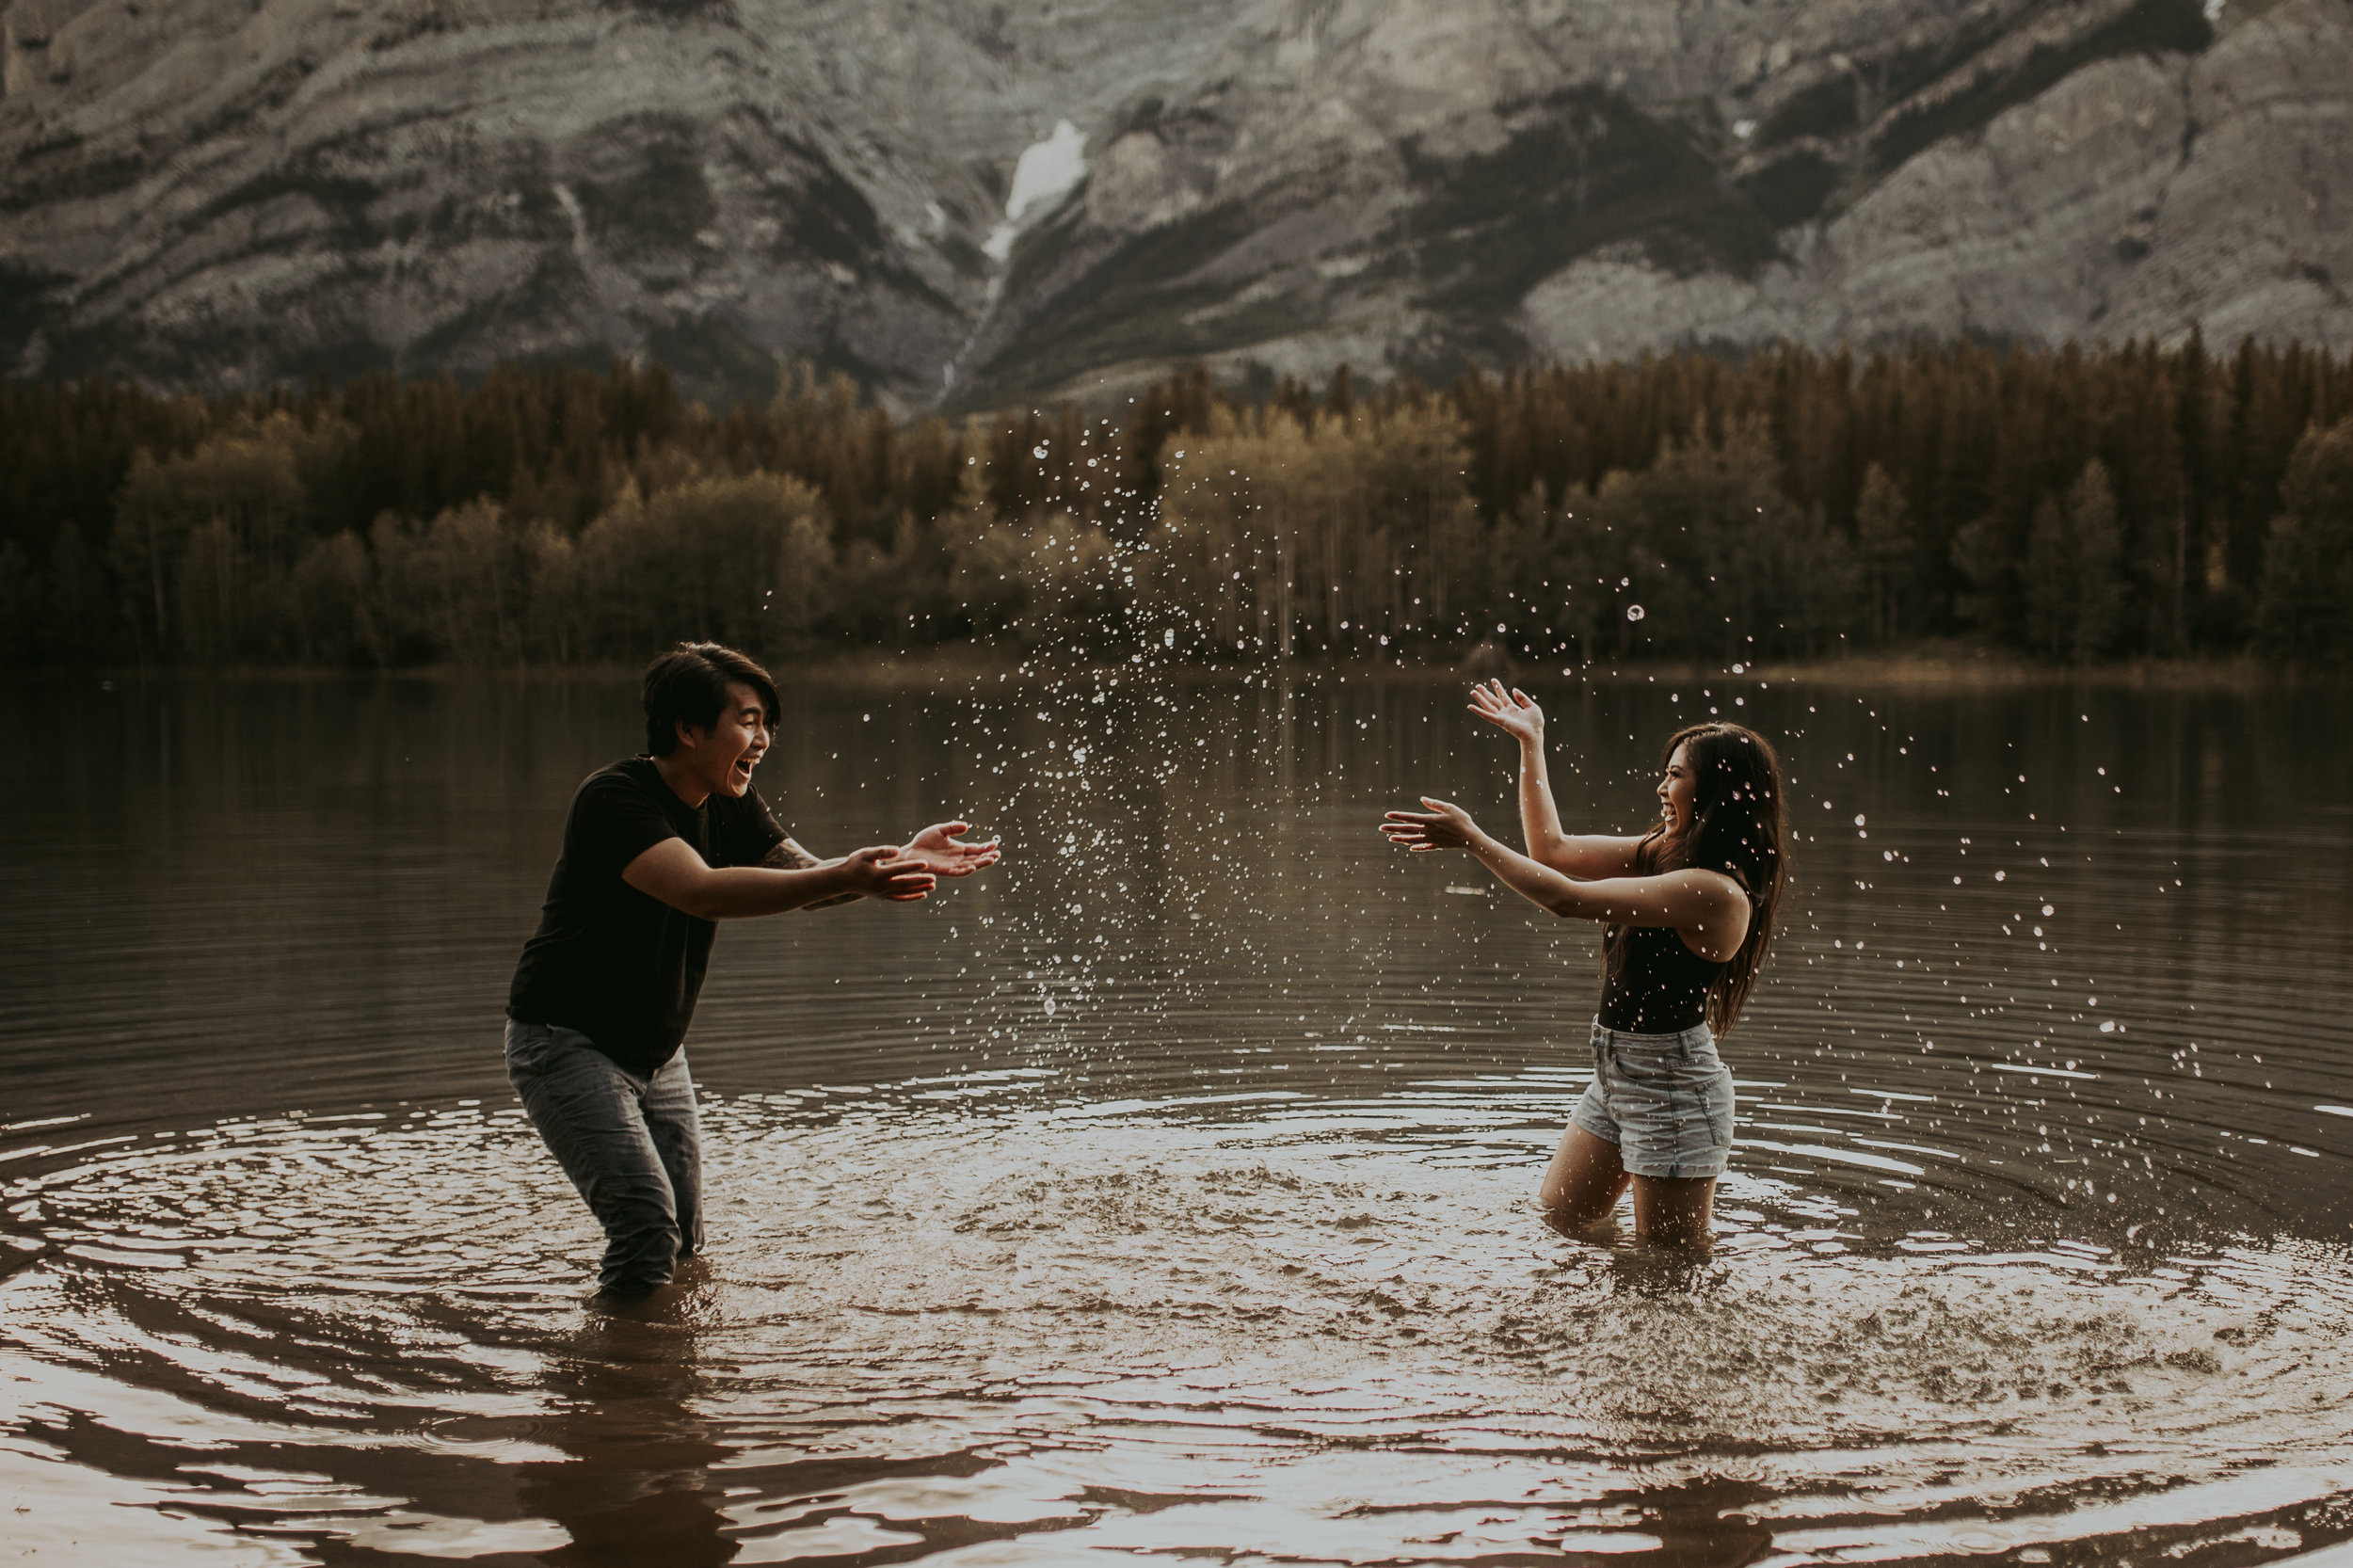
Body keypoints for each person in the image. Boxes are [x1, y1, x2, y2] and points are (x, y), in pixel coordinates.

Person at [504, 641, 1000, 1302]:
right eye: (747, 719)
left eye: (766, 722)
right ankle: (617, 1380)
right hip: (566, 1040)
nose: (762, 738)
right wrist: (848, 873)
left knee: (684, 1236)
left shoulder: (731, 801)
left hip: (655, 1050)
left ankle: (654, 1373)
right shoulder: (615, 799)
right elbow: (702, 891)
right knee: (647, 1228)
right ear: (687, 728)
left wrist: (895, 862)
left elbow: (806, 879)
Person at [1380, 680, 1787, 1248]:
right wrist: (1532, 744)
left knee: (1668, 1276)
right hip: (1616, 1075)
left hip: (1673, 1089)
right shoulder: (1661, 853)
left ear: (1716, 791)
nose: (1662, 786)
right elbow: (1553, 851)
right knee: (1564, 1225)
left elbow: (1567, 898)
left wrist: (1474, 840)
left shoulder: (1715, 891)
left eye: (1676, 776)